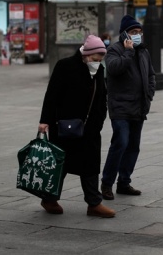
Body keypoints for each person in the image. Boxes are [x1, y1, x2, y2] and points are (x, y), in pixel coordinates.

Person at [38, 35, 115, 218]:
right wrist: (44, 120)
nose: (97, 63)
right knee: (61, 164)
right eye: (95, 59)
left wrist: (100, 120)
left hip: (89, 129)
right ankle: (49, 199)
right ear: (86, 55)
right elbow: (52, 95)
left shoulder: (98, 70)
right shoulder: (65, 66)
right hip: (65, 127)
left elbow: (102, 98)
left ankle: (94, 204)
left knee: (90, 165)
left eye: (100, 60)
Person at [101, 14, 156, 200]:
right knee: (120, 143)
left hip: (139, 106)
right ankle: (107, 183)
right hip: (120, 107)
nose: (138, 35)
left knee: (133, 146)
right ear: (124, 34)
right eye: (134, 32)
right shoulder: (114, 50)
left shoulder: (144, 52)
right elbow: (114, 69)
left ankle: (124, 182)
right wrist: (128, 52)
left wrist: (149, 94)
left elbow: (151, 75)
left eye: (139, 32)